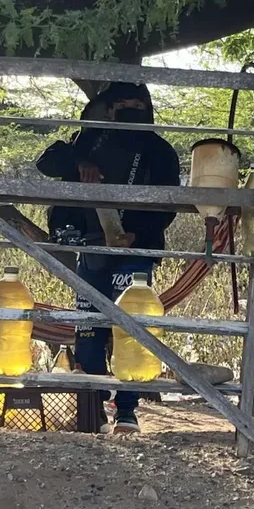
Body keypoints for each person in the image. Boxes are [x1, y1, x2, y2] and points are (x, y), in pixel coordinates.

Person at [36, 82, 180, 434]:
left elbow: (168, 205)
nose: (129, 109)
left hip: (137, 252)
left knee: (131, 329)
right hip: (93, 247)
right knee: (89, 328)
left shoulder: (160, 151)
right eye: (121, 104)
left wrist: (138, 235)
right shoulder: (90, 139)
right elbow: (46, 161)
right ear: (110, 109)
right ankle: (93, 405)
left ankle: (127, 411)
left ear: (147, 108)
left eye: (137, 103)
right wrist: (81, 161)